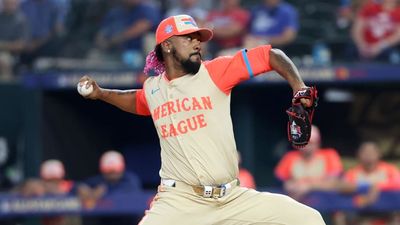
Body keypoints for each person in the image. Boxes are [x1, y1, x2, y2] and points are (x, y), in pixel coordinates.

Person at [78, 14, 325, 225]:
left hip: (232, 199)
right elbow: (138, 101)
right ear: (167, 45)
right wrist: (102, 93)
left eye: (198, 38)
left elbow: (271, 55)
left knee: (309, 219)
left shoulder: (215, 71)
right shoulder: (154, 89)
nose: (197, 43)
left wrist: (298, 87)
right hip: (180, 201)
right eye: (188, 38)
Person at [274, 125, 343, 199]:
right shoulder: (290, 157)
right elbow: (281, 182)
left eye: (310, 142)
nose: (306, 146)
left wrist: (308, 186)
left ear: (317, 143)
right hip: (297, 200)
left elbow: (333, 183)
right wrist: (288, 185)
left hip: (325, 203)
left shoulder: (329, 155)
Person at [77, 150, 142, 225]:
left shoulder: (130, 179)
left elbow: (123, 194)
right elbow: (79, 186)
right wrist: (82, 189)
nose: (112, 175)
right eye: (109, 172)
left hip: (127, 220)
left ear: (121, 169)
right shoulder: (100, 180)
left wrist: (101, 193)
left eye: (115, 172)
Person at [0, 0, 28, 80]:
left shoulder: (21, 20)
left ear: (17, 4)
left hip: (12, 56)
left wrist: (2, 45)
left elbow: (20, 45)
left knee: (2, 61)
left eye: (11, 3)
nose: (9, 5)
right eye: (7, 3)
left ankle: (5, 90)